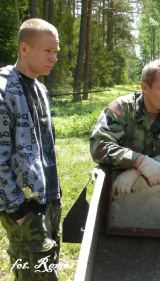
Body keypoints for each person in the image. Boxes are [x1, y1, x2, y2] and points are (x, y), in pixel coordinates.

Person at [0, 19, 62, 280]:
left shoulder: (40, 89)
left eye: (56, 52)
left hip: (48, 200)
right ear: (24, 48)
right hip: (24, 207)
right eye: (48, 51)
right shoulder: (4, 91)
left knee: (48, 268)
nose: (54, 58)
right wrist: (19, 211)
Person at [90, 58, 160, 193]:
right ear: (145, 87)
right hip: (119, 190)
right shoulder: (122, 108)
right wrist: (139, 160)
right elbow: (99, 145)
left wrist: (136, 172)